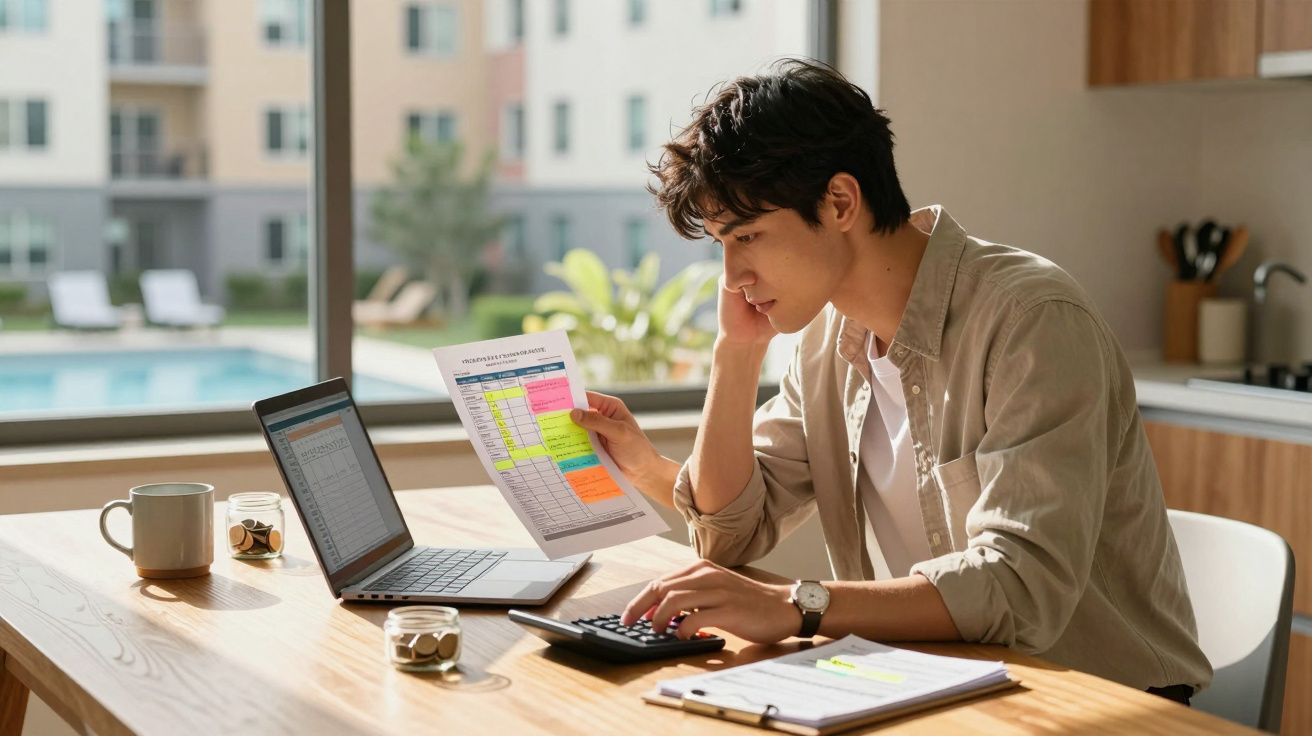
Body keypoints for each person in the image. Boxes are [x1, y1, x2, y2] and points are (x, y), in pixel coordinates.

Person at [568, 59, 1210, 702]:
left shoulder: (1032, 320)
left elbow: (1020, 588)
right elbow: (727, 535)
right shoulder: (826, 340)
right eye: (720, 245)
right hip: (934, 681)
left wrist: (798, 605)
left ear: (840, 202)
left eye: (749, 236)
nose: (732, 276)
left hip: (1100, 700)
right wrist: (735, 352)